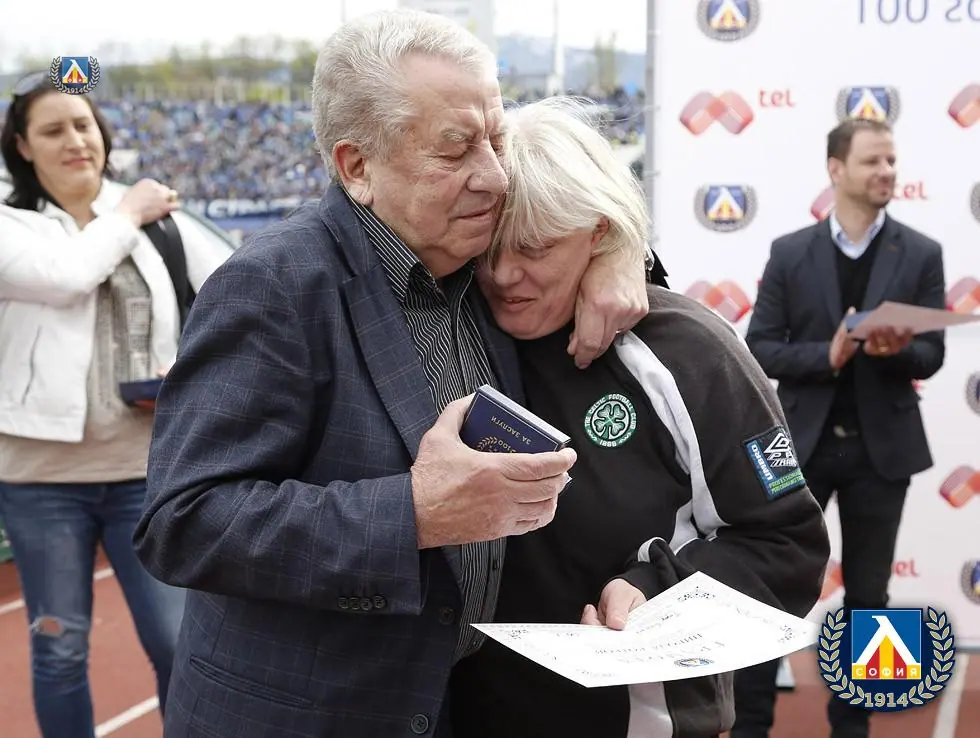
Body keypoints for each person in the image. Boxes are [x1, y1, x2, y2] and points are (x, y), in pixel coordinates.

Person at [133, 10, 648, 737]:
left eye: (497, 139)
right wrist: (412, 513)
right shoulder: (274, 284)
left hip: (456, 705)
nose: (494, 176)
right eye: (455, 149)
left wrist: (623, 258)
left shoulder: (476, 253)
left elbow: (585, 220)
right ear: (357, 168)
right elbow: (183, 522)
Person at [447, 97, 830, 738]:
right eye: (490, 247)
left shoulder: (688, 352)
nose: (504, 274)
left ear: (598, 232)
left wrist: (657, 588)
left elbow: (787, 546)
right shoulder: (450, 323)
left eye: (536, 247)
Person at [0, 73, 229, 738]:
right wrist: (126, 212)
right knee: (60, 650)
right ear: (23, 146)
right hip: (41, 479)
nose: (75, 140)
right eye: (53, 130)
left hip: (147, 470)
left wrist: (186, 368)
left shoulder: (164, 219)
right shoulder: (12, 225)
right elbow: (66, 276)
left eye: (84, 125)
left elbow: (236, 297)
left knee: (178, 643)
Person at [735, 118, 947, 738]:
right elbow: (761, 347)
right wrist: (824, 357)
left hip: (883, 454)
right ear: (835, 169)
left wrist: (895, 350)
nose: (887, 172)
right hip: (796, 448)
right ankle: (749, 727)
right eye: (873, 161)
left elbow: (931, 354)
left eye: (891, 161)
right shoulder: (790, 252)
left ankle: (852, 730)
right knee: (770, 593)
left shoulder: (922, 252)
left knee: (870, 601)